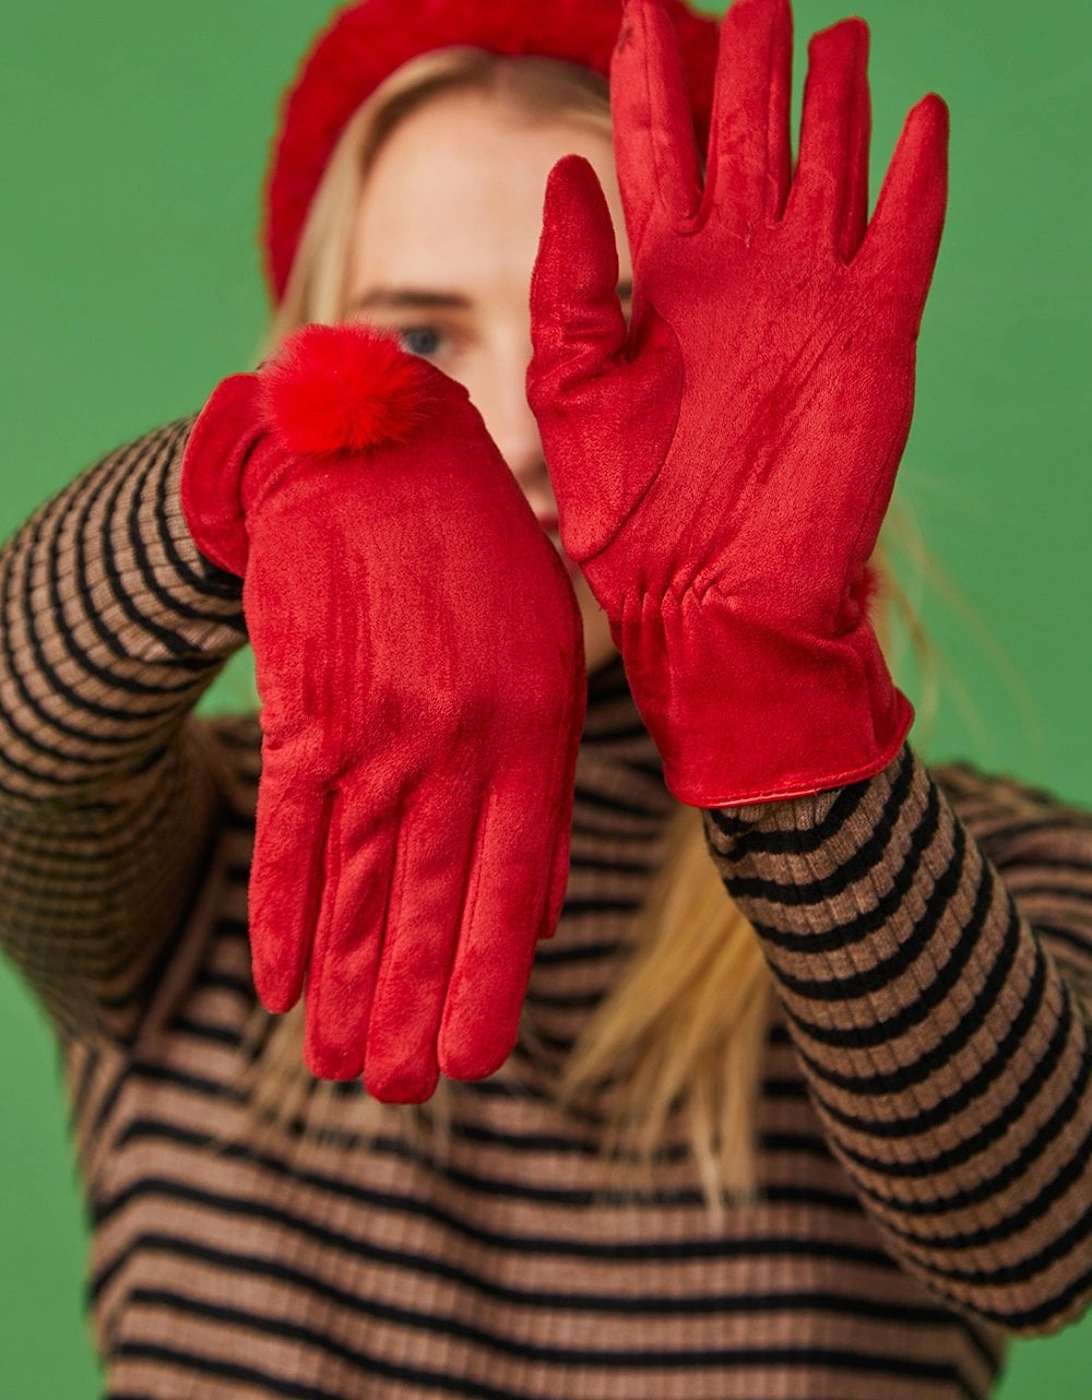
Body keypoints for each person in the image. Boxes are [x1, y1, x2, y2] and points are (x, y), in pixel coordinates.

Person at [0, 0, 1089, 1395]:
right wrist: (249, 474)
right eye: (419, 342)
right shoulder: (209, 853)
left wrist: (786, 717)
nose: (512, 433)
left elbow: (1041, 1241)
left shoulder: (997, 876)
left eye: (600, 337)